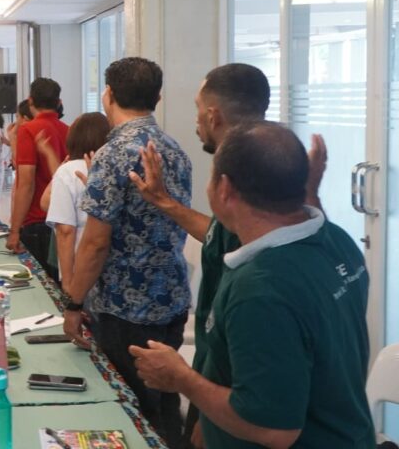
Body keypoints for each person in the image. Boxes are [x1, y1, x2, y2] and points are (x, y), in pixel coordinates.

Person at [130, 122, 373, 449]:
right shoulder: (337, 241)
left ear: (225, 189)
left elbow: (273, 429)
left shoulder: (260, 290)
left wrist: (182, 379)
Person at [125, 63, 326, 448]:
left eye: (198, 107)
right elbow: (220, 235)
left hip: (236, 399)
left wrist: (200, 401)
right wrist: (163, 201)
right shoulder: (315, 233)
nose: (196, 119)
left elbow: (256, 358)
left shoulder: (261, 287)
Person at [63, 57, 192, 446]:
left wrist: (73, 303)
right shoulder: (176, 150)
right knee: (165, 402)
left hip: (125, 307)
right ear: (158, 97)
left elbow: (95, 242)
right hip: (171, 297)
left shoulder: (113, 153)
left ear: (109, 95)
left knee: (131, 411)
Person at [6, 78, 69, 278]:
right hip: (62, 219)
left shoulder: (29, 130)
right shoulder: (67, 130)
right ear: (58, 102)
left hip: (37, 220)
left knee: (37, 284)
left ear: (30, 100)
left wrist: (14, 230)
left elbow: (26, 183)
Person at [37, 112, 109, 286]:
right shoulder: (112, 167)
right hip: (108, 262)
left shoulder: (69, 170)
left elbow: (65, 231)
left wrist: (68, 282)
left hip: (79, 262)